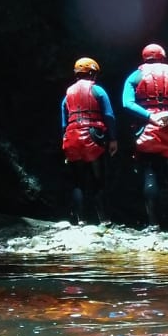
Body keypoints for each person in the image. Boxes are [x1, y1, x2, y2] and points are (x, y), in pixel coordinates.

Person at [122, 43, 168, 232]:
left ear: (144, 57)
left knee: (149, 175)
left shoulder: (134, 76)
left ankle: (154, 225)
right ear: (163, 57)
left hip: (147, 130)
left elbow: (127, 103)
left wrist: (149, 116)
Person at [61, 57, 118, 226]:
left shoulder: (67, 94)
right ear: (92, 73)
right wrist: (113, 138)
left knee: (78, 181)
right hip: (93, 136)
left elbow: (64, 122)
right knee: (98, 180)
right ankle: (105, 220)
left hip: (71, 137)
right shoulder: (98, 91)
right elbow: (109, 115)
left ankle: (81, 220)